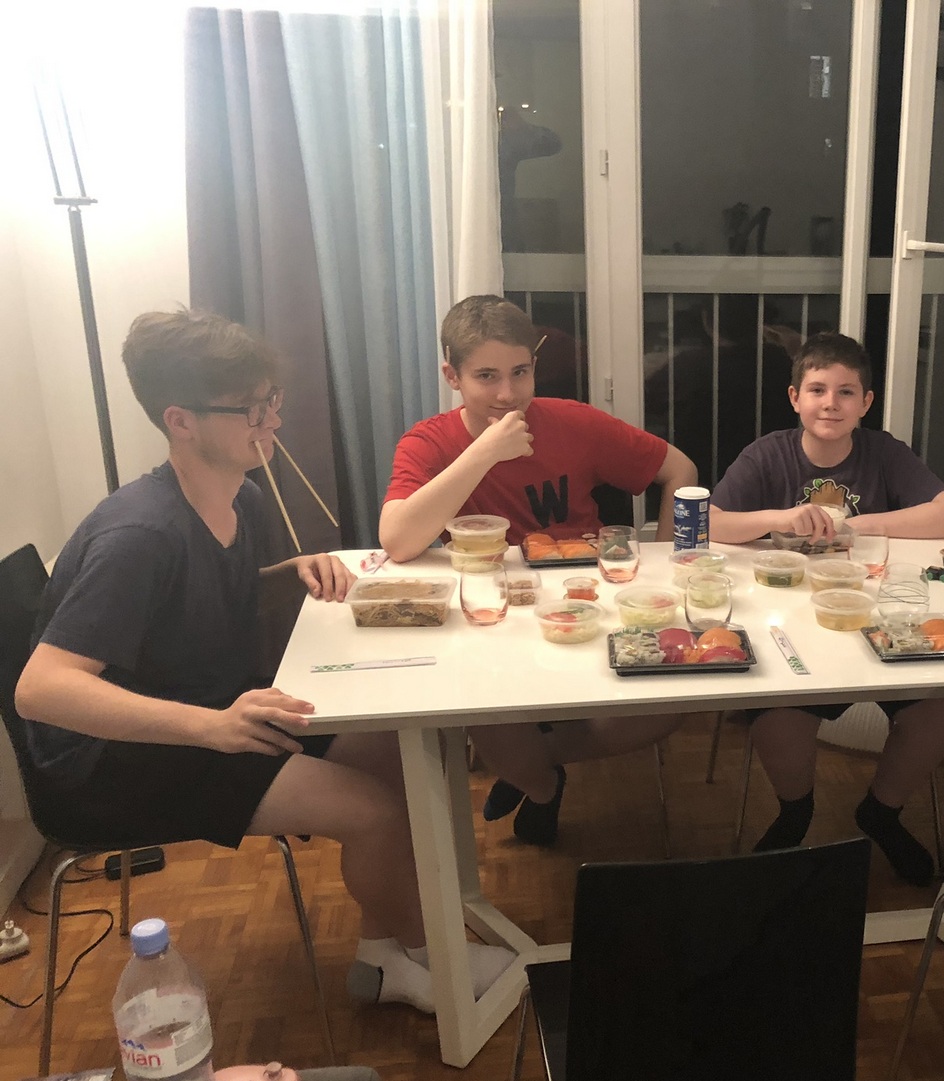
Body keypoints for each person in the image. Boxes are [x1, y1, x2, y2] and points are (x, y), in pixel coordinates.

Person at [14, 308, 513, 1015]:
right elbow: (41, 689)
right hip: (119, 760)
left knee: (393, 749)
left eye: (272, 400)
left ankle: (385, 958)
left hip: (209, 708)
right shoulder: (139, 536)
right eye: (251, 409)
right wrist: (210, 726)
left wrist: (289, 573)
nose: (272, 420)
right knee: (372, 812)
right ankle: (431, 955)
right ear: (181, 421)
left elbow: (200, 596)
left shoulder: (238, 498)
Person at [379, 295, 699, 844]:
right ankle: (543, 784)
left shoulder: (573, 421)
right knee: (483, 713)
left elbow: (680, 469)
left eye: (520, 373)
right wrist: (485, 452)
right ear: (453, 376)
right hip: (495, 614)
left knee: (668, 707)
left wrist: (667, 563)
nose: (507, 394)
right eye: (486, 376)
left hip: (588, 601)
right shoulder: (429, 441)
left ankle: (533, 761)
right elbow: (398, 541)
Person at [709, 332, 944, 886]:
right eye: (818, 390)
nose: (831, 403)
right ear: (795, 397)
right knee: (775, 710)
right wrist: (779, 518)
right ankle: (795, 809)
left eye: (846, 392)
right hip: (795, 624)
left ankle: (882, 811)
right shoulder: (768, 453)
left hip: (878, 619)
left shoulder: (884, 452)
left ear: (866, 403)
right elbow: (710, 523)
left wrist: (854, 524)